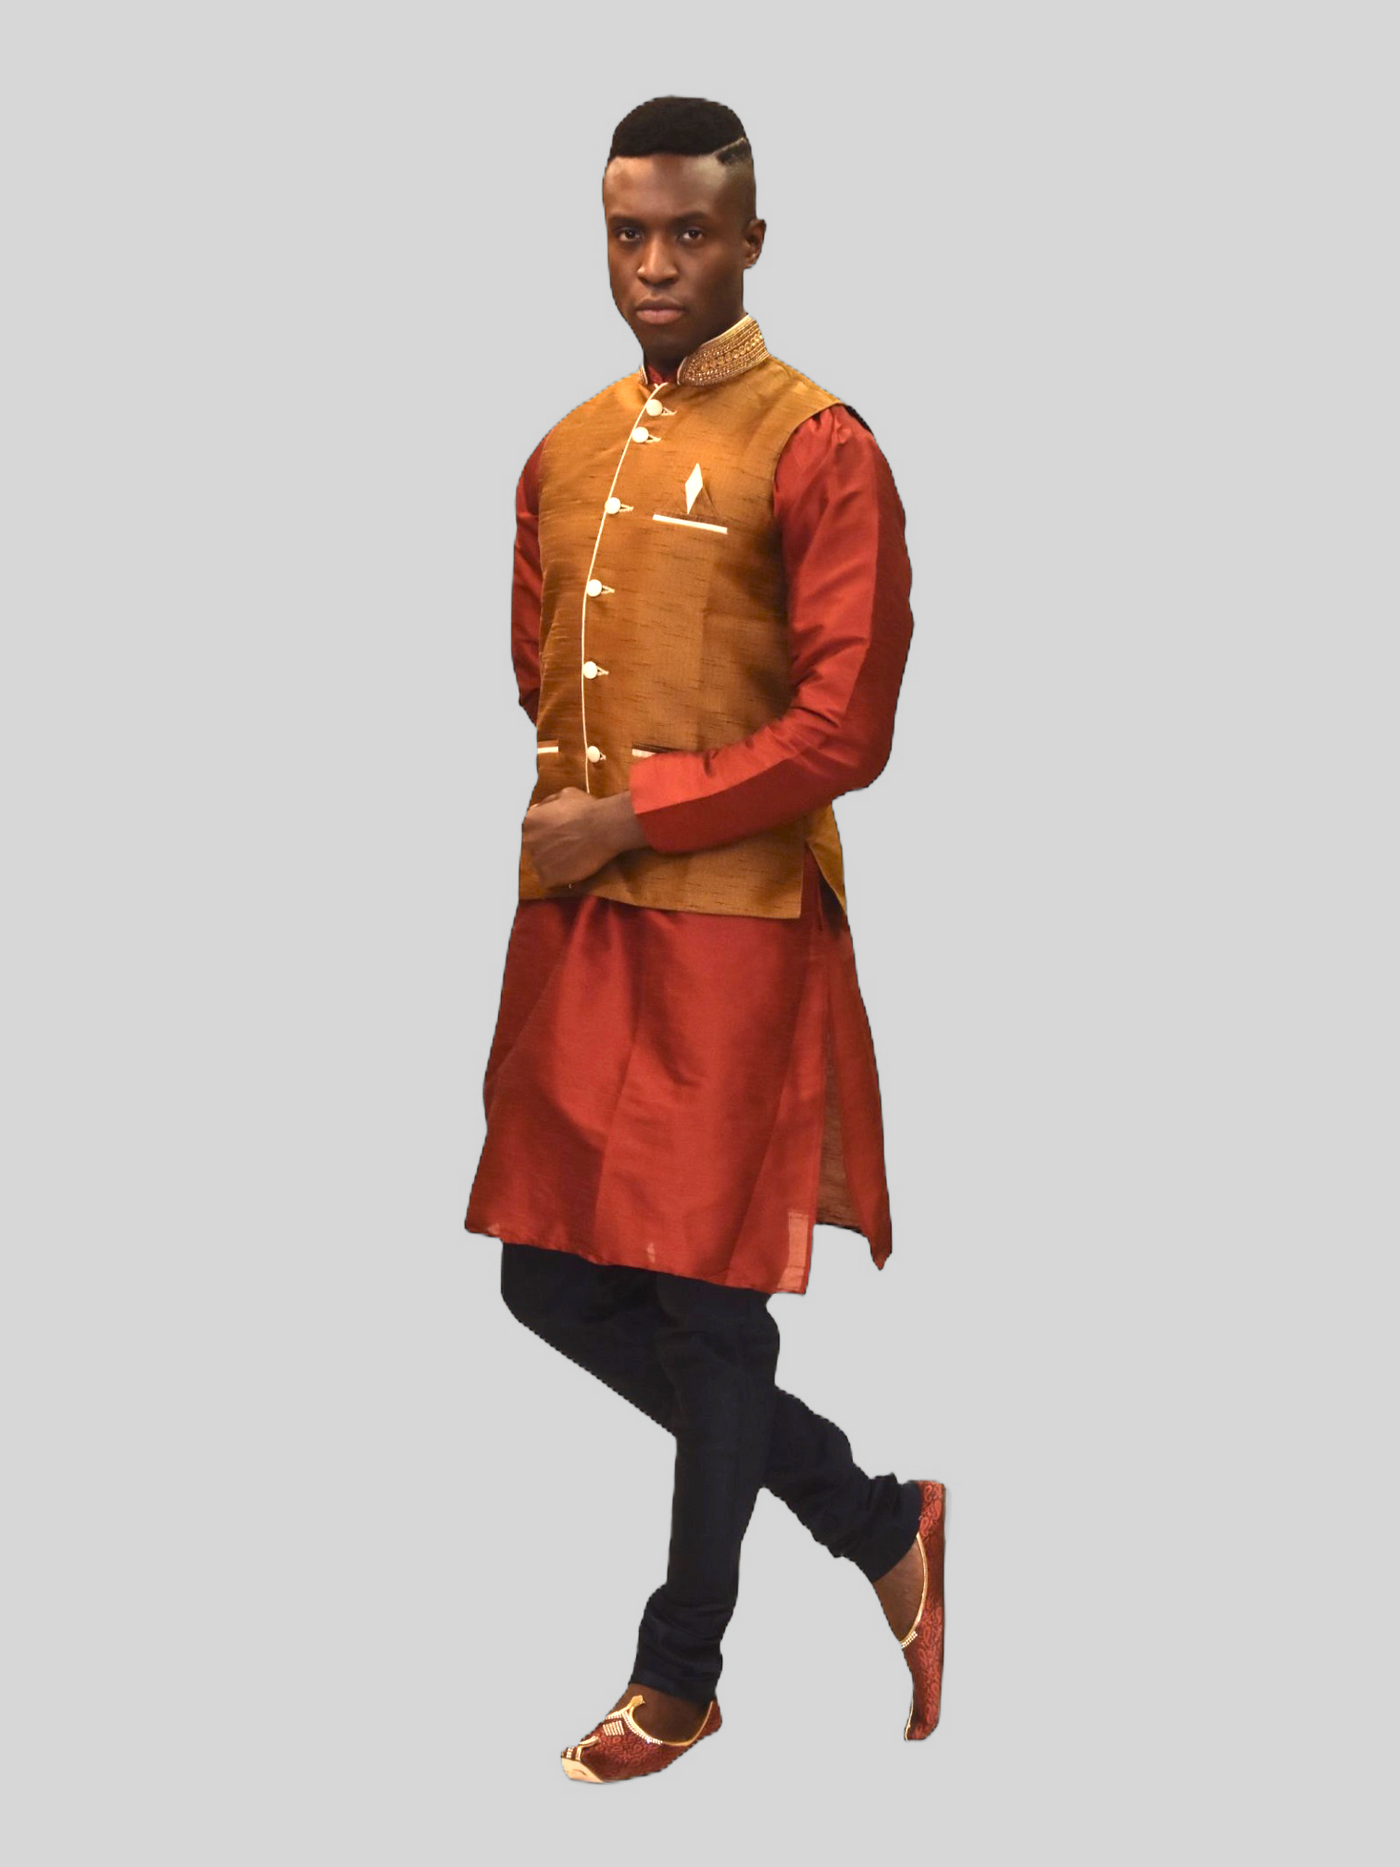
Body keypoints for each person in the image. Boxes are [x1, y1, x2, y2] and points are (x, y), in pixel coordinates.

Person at [464, 95, 946, 1785]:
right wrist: (590, 840)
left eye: (687, 232)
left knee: (711, 1308)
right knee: (547, 1272)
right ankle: (874, 1514)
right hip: (582, 930)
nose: (655, 263)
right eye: (628, 233)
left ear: (750, 238)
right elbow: (540, 667)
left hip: (738, 930)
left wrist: (634, 817)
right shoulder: (566, 446)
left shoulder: (819, 444)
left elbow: (845, 728)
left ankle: (681, 1669)